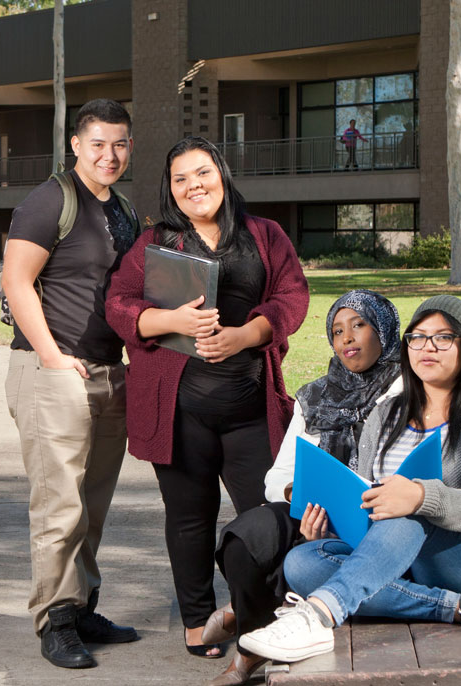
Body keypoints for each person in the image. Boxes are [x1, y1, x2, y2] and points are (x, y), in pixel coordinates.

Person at [239, 295, 461, 664]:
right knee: (301, 561)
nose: (427, 347)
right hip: (388, 555)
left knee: (407, 507)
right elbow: (364, 494)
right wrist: (330, 527)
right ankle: (459, 608)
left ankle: (317, 616)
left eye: (442, 338)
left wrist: (420, 496)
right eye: (418, 337)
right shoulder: (386, 415)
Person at [105, 136, 309, 661]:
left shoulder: (264, 235)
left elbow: (292, 296)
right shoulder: (157, 242)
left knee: (269, 515)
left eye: (202, 173)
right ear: (170, 189)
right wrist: (171, 320)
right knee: (189, 518)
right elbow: (118, 304)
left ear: (221, 173)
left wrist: (245, 336)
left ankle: (261, 617)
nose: (194, 186)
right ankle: (197, 622)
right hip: (178, 414)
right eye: (181, 179)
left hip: (250, 411)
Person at [1, 98, 140, 669]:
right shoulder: (49, 200)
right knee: (60, 506)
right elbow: (16, 280)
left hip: (109, 372)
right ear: (77, 146)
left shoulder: (125, 210)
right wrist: (55, 358)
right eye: (99, 143)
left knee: (93, 504)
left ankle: (82, 607)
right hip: (52, 371)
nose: (110, 155)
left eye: (121, 144)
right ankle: (55, 622)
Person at [205, 289, 402, 686]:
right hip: (316, 510)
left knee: (304, 554)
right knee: (245, 537)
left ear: (384, 331)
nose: (346, 338)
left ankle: (244, 647)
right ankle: (252, 643)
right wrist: (301, 494)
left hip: (382, 522)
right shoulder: (314, 396)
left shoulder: (408, 393)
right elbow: (276, 477)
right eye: (336, 331)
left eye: (359, 325)